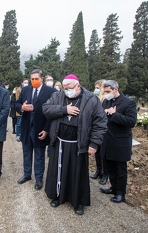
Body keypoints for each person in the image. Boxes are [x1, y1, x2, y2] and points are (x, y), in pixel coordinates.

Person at [43, 74, 107, 215]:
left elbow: (100, 123)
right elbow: (46, 109)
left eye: (70, 88)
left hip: (78, 144)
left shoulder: (91, 99)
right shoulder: (58, 95)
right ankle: (57, 196)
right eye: (65, 88)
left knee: (77, 173)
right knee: (58, 171)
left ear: (78, 86)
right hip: (59, 142)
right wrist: (64, 110)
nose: (67, 91)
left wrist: (94, 143)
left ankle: (78, 202)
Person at [14, 69, 56, 190]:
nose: (34, 81)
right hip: (26, 127)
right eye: (32, 79)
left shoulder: (50, 91)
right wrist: (22, 107)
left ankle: (39, 179)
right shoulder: (26, 89)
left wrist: (47, 129)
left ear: (41, 78)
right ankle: (27, 174)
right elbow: (16, 104)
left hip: (40, 129)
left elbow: (52, 112)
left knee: (39, 155)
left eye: (36, 79)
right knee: (26, 153)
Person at [99, 80, 137, 203]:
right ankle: (113, 188)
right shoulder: (106, 101)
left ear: (116, 89)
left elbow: (131, 122)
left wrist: (114, 114)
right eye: (105, 92)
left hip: (120, 141)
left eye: (108, 91)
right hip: (107, 139)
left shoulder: (128, 103)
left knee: (120, 169)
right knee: (110, 167)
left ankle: (120, 193)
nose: (106, 94)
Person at [90, 79, 109, 185]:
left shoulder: (107, 100)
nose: (95, 90)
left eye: (98, 88)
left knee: (104, 153)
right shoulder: (95, 99)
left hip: (105, 130)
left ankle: (105, 174)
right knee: (97, 151)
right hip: (95, 128)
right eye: (95, 87)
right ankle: (98, 170)